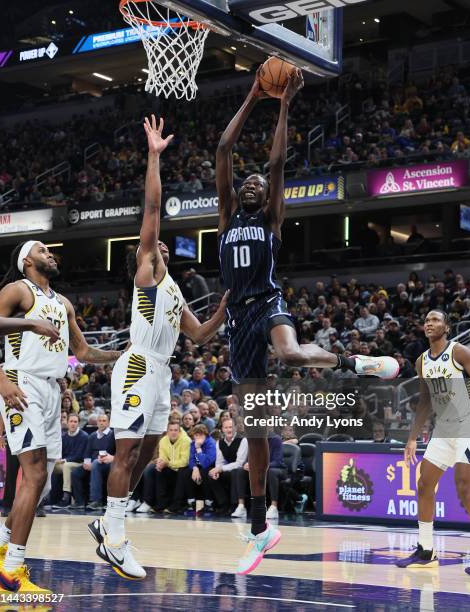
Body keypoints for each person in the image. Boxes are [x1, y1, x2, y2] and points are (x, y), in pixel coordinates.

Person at [216, 67, 399, 574]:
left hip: (268, 303)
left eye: (258, 184)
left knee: (292, 353)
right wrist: (252, 94)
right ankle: (258, 529)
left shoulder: (270, 218)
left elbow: (275, 164)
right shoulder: (228, 219)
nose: (252, 184)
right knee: (254, 429)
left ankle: (355, 360)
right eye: (246, 184)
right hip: (237, 320)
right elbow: (224, 152)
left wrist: (283, 106)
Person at [87, 116, 228, 581]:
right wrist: (153, 156)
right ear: (146, 256)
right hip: (137, 366)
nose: (161, 245)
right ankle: (114, 537)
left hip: (162, 371)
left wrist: (229, 302)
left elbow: (202, 335)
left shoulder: (175, 292)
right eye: (154, 245)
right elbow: (152, 208)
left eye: (163, 246)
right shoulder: (147, 277)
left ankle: (109, 519)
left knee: (146, 453)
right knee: (127, 453)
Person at [0, 240, 120, 593]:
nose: (50, 253)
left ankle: (0, 547)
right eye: (43, 250)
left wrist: (121, 353)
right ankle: (10, 573)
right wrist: (2, 379)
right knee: (32, 476)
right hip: (21, 381)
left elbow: (82, 351)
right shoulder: (17, 290)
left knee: (43, 483)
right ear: (27, 260)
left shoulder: (63, 303)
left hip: (50, 389)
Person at [396, 310, 470, 575]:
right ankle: (426, 550)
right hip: (443, 430)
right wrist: (412, 438)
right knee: (424, 485)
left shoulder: (459, 352)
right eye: (426, 321)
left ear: (446, 326)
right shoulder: (422, 361)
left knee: (464, 491)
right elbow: (425, 401)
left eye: (435, 320)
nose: (429, 324)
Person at [70, 414, 116, 510]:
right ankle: (80, 502)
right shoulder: (92, 436)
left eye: (104, 421)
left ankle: (96, 500)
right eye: (100, 421)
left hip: (107, 464)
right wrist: (87, 463)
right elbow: (87, 453)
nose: (101, 423)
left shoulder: (113, 435)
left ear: (108, 423)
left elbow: (115, 452)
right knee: (75, 473)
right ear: (97, 422)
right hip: (93, 464)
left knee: (96, 464)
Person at [208, 417, 248, 515]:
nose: (229, 430)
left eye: (230, 427)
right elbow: (220, 461)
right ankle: (223, 504)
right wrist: (217, 470)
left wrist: (220, 468)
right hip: (227, 469)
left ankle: (234, 505)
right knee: (211, 474)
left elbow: (239, 463)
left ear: (235, 428)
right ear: (222, 429)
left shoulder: (243, 440)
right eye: (226, 428)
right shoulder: (220, 442)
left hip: (242, 471)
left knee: (235, 472)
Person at [51, 413, 89, 508]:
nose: (73, 424)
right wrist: (57, 459)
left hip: (79, 463)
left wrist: (64, 460)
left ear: (79, 424)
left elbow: (79, 456)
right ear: (67, 423)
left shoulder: (84, 436)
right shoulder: (64, 436)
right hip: (66, 463)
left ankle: (66, 496)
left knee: (66, 466)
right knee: (52, 466)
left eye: (75, 422)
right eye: (71, 421)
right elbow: (60, 452)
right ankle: (51, 496)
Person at [153, 421, 191, 512]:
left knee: (182, 471)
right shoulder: (163, 440)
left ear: (180, 431)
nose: (173, 432)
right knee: (159, 470)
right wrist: (160, 463)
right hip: (172, 467)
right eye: (171, 430)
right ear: (167, 431)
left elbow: (184, 461)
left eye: (175, 430)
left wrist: (168, 463)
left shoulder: (186, 441)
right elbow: (163, 457)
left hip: (185, 468)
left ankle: (177, 505)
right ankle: (161, 503)